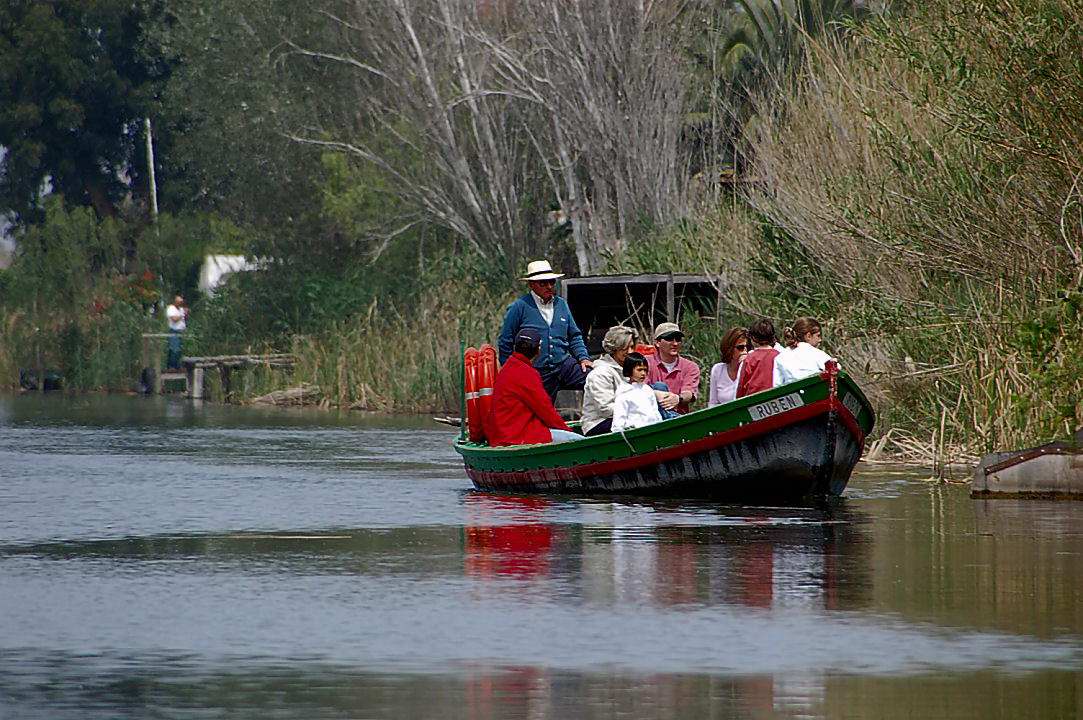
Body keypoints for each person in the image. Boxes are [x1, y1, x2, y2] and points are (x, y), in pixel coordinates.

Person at [498, 260, 592, 401]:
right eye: (543, 283)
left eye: (552, 282)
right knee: (541, 411)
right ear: (531, 285)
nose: (549, 286)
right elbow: (505, 341)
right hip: (536, 370)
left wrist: (583, 357)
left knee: (595, 379)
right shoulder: (519, 307)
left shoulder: (561, 304)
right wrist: (512, 373)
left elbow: (574, 335)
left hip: (564, 364)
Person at [488, 328, 582, 446]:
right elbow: (545, 410)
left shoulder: (508, 367)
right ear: (538, 350)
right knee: (578, 440)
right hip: (517, 436)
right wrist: (567, 430)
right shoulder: (527, 374)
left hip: (502, 435)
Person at [580, 325, 637, 436]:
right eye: (624, 348)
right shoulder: (601, 373)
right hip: (597, 423)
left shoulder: (630, 369)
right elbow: (605, 409)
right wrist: (636, 409)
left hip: (621, 416)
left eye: (632, 347)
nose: (630, 352)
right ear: (614, 348)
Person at [645, 322, 700, 414]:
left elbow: (689, 392)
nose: (675, 343)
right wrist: (656, 395)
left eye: (678, 339)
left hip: (679, 418)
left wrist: (678, 399)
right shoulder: (645, 363)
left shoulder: (691, 367)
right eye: (669, 338)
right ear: (657, 342)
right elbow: (639, 389)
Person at [612, 352, 664, 432]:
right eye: (639, 370)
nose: (643, 373)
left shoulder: (647, 389)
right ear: (629, 370)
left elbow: (655, 412)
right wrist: (618, 431)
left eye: (645, 370)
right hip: (635, 433)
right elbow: (619, 418)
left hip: (653, 430)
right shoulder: (624, 392)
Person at [775, 317, 835, 385]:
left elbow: (776, 385)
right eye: (818, 336)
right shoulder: (815, 353)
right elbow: (836, 369)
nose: (820, 340)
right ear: (808, 336)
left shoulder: (780, 357)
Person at [735, 318, 780, 398]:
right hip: (776, 399)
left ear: (753, 338)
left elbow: (741, 386)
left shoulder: (748, 359)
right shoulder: (780, 356)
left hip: (753, 402)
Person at [708, 327, 750, 406]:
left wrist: (744, 365)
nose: (745, 351)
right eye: (740, 347)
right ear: (730, 348)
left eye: (748, 347)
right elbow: (713, 403)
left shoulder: (751, 370)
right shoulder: (718, 370)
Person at [165, 295, 188, 370]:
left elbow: (184, 319)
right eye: (179, 302)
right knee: (174, 349)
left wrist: (186, 313)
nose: (180, 303)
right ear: (175, 302)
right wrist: (182, 314)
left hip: (181, 331)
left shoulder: (181, 309)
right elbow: (174, 319)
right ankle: (171, 366)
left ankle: (177, 365)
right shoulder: (171, 308)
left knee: (179, 350)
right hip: (174, 331)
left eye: (181, 302)